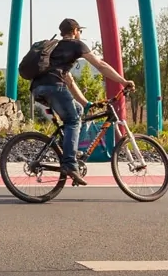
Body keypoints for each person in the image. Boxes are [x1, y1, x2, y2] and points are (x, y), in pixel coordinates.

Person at [29, 18, 135, 186]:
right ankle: (70, 164)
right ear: (75, 31)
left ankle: (67, 150)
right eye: (80, 31)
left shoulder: (55, 48)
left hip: (38, 88)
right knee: (73, 120)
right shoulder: (77, 45)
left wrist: (86, 104)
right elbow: (100, 65)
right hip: (54, 87)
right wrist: (123, 81)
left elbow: (69, 81)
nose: (80, 34)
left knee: (77, 110)